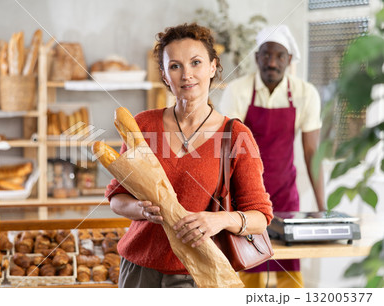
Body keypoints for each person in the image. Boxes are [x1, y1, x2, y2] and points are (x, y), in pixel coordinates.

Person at [105, 23, 273, 288]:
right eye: (175, 66)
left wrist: (218, 220)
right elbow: (117, 198)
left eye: (196, 63)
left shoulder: (236, 135)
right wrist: (139, 209)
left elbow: (260, 217)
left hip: (198, 274)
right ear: (164, 74)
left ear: (213, 66)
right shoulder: (143, 126)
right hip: (138, 270)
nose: (187, 75)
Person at [218, 24, 325, 288]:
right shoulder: (237, 91)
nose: (272, 62)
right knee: (248, 263)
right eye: (266, 55)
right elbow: (227, 150)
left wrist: (322, 208)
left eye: (279, 56)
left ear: (289, 60)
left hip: (287, 195)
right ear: (256, 57)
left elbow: (312, 152)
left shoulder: (305, 94)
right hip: (246, 194)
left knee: (290, 269)